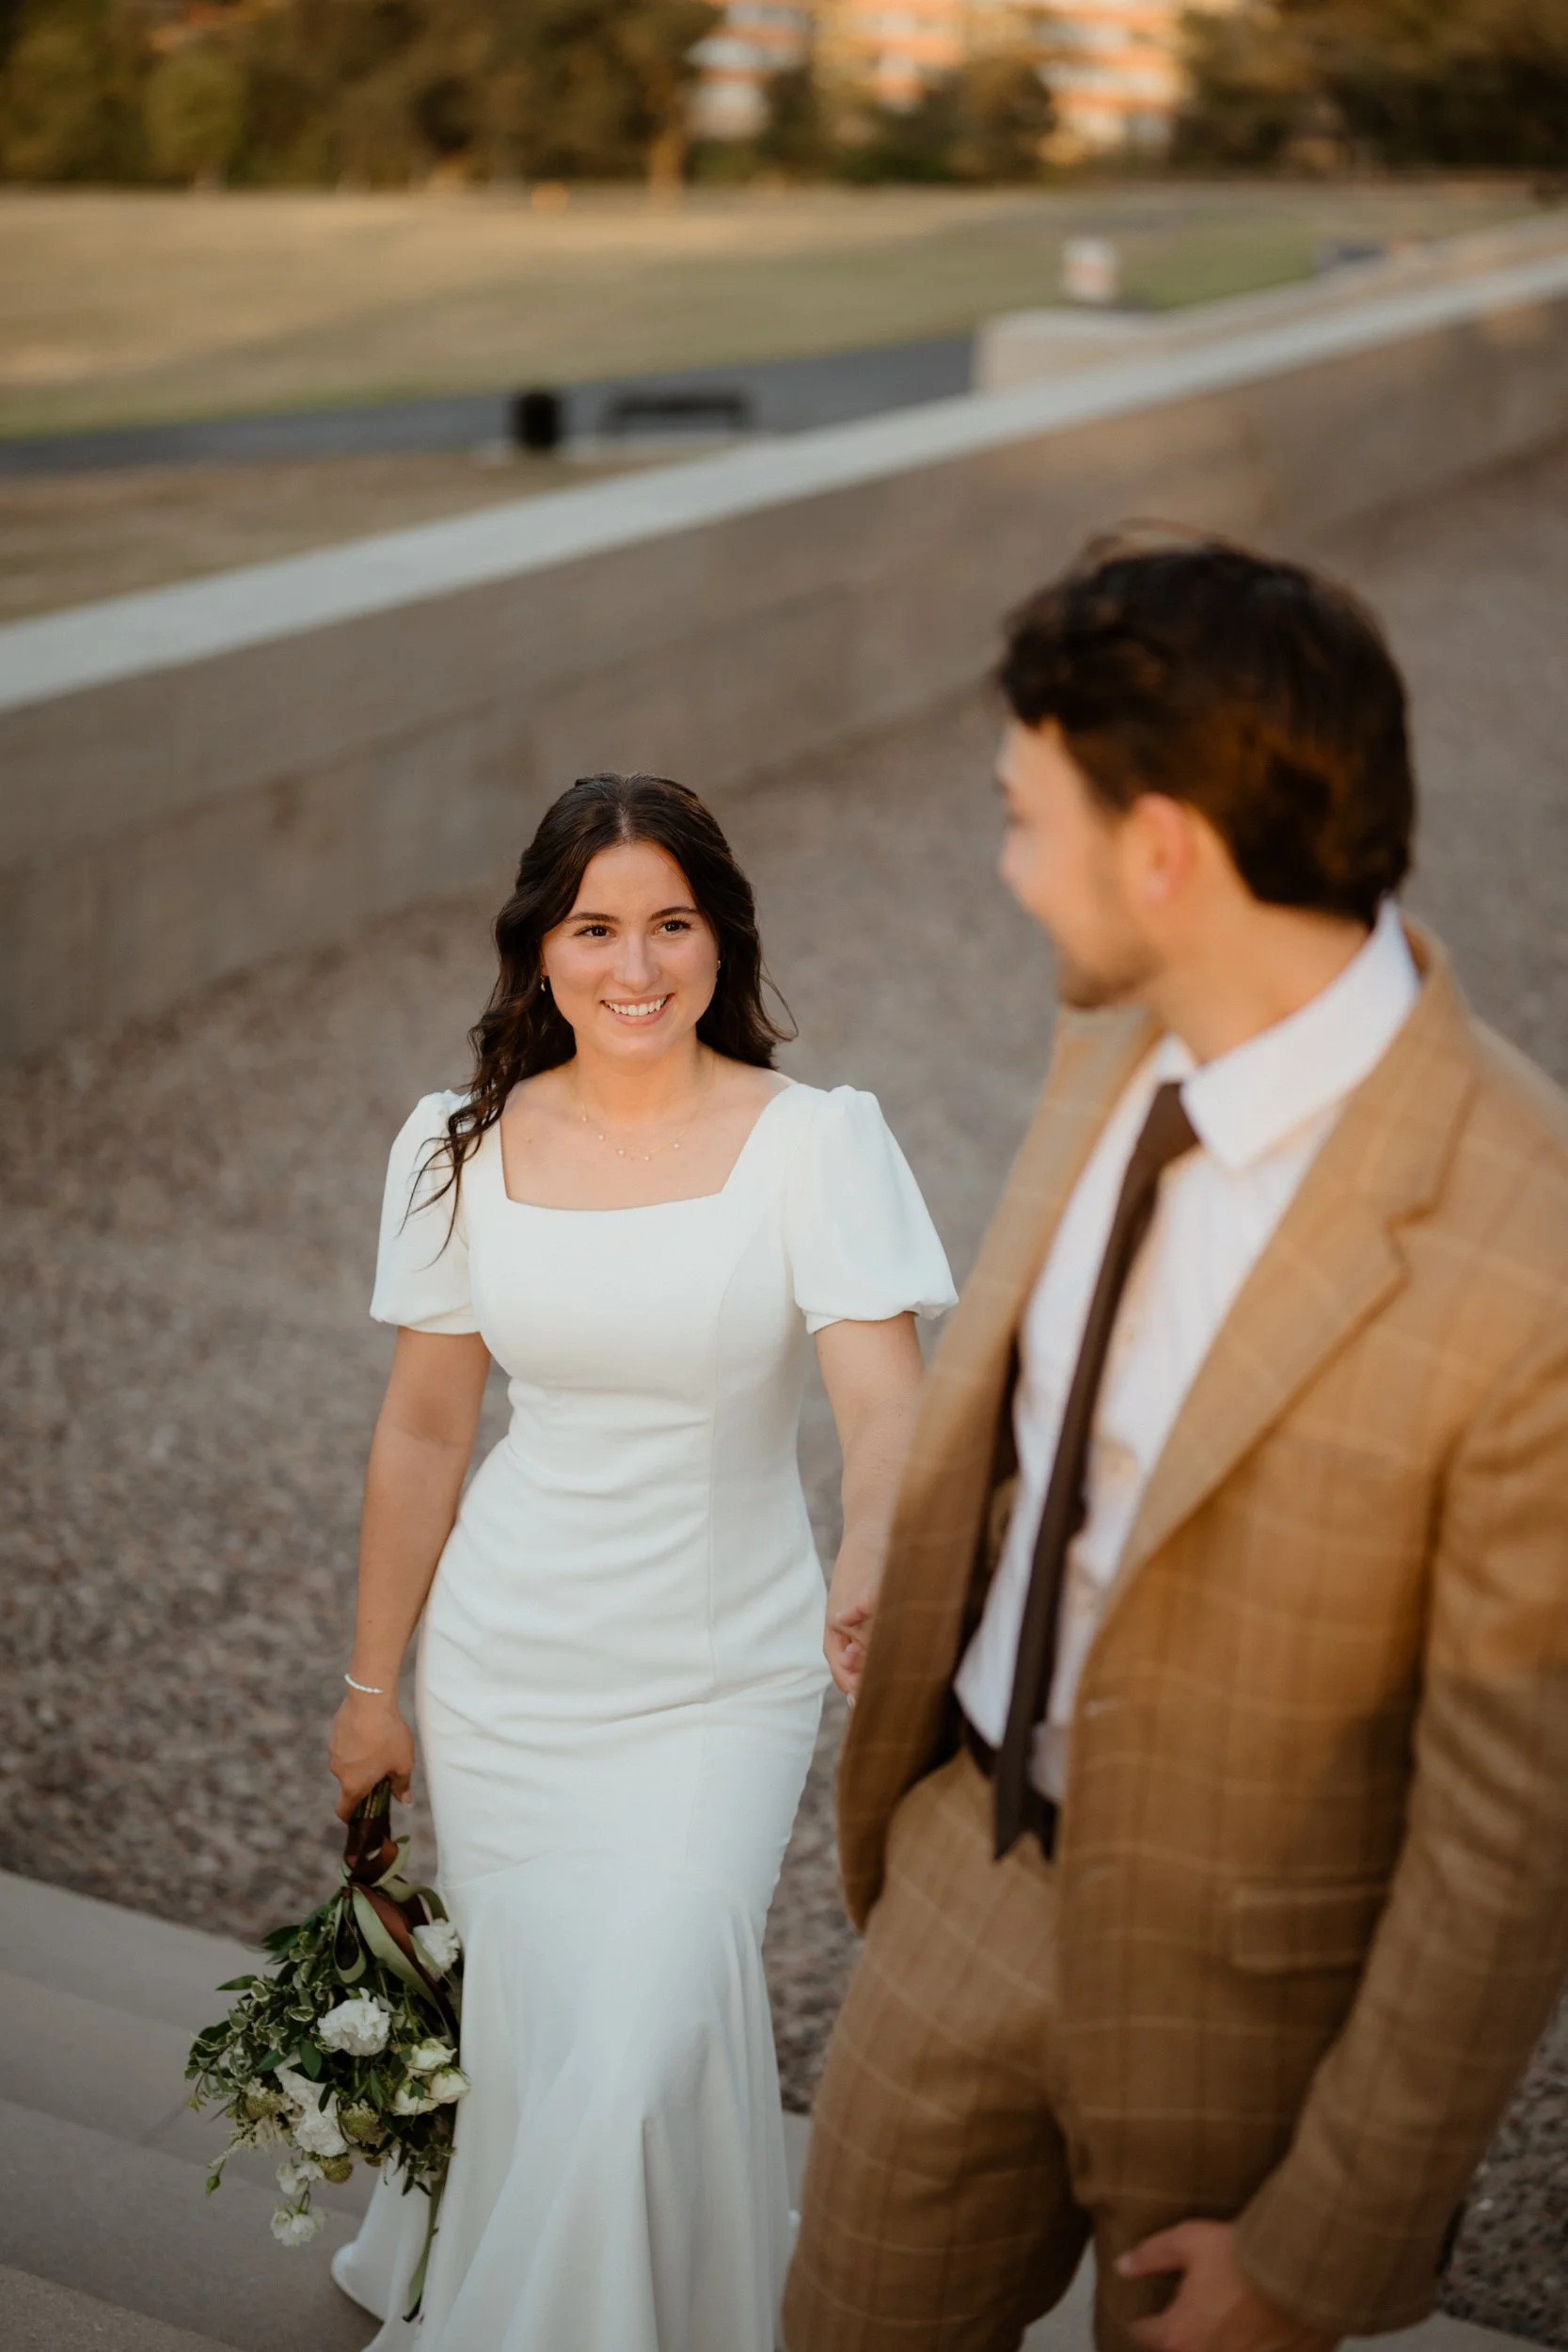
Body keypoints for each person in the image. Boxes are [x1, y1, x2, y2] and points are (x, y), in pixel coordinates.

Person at [784, 537, 1568, 2352]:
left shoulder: (1528, 1252)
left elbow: (1509, 1835)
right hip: (957, 1880)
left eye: (1021, 816)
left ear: (1164, 853)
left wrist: (1317, 2249)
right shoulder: (1117, 1028)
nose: (1001, 868)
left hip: (1253, 2033)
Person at [325, 771, 956, 2352]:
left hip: (719, 1678)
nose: (634, 966)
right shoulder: (455, 1146)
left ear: (719, 940)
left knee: (648, 2035)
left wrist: (870, 1546)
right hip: (504, 1673)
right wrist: (370, 1688)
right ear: (538, 948)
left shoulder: (816, 1143)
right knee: (553, 2041)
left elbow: (885, 1407)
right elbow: (421, 1434)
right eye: (594, 927)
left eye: (670, 924)